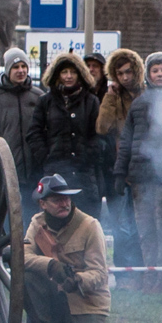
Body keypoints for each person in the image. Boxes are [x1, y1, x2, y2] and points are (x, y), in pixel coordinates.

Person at [20, 174, 110, 323]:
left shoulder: (90, 226)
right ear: (43, 204)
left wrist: (77, 280)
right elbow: (23, 257)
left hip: (85, 299)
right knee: (28, 277)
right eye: (57, 200)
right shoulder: (37, 223)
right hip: (54, 295)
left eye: (66, 198)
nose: (64, 204)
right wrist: (51, 265)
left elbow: (100, 273)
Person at [116, 51, 162, 291]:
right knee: (145, 231)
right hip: (141, 179)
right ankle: (149, 277)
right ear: (148, 74)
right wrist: (120, 173)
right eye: (155, 70)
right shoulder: (139, 103)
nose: (160, 74)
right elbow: (127, 141)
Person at [27, 53, 102, 217]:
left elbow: (98, 134)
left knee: (87, 222)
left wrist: (87, 157)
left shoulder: (91, 101)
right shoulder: (45, 101)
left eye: (73, 72)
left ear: (80, 74)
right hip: (54, 172)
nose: (69, 76)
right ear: (57, 75)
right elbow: (34, 133)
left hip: (84, 174)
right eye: (64, 72)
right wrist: (47, 157)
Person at [0, 49, 45, 224]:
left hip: (34, 170)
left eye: (24, 66)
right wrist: (0, 157)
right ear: (7, 70)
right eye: (16, 67)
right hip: (7, 172)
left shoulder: (38, 97)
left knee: (33, 217)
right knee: (7, 218)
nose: (21, 70)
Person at [96, 49, 146, 275]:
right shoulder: (114, 96)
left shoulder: (146, 94)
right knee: (122, 226)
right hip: (120, 167)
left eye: (129, 72)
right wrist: (110, 97)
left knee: (142, 225)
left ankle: (145, 272)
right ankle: (126, 275)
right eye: (120, 73)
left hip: (145, 167)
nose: (125, 77)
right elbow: (102, 127)